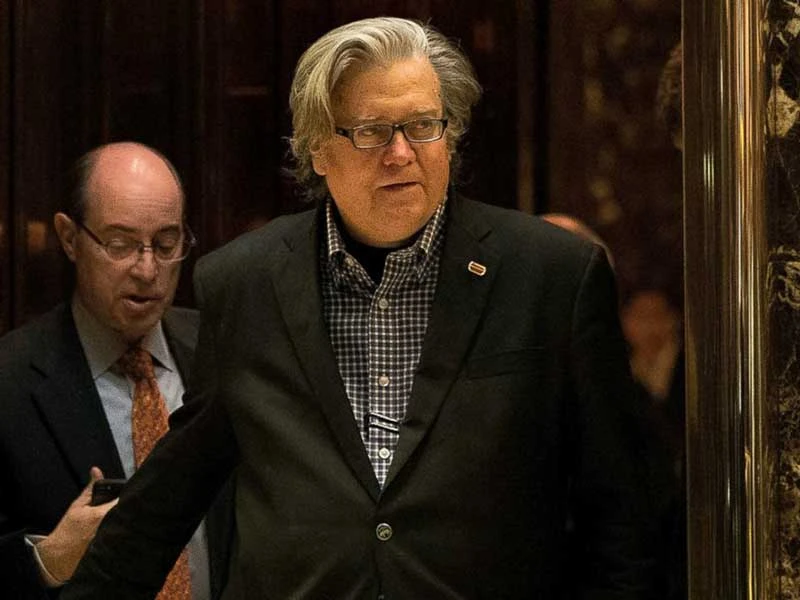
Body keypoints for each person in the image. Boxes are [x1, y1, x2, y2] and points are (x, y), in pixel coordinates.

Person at [65, 18, 655, 598]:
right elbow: (168, 499)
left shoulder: (552, 277)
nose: (401, 153)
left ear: (449, 135)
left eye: (422, 126)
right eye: (372, 131)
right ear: (318, 149)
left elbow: (621, 520)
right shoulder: (245, 283)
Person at [0, 142, 230, 599]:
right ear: (69, 238)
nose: (147, 269)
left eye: (166, 244)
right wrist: (47, 560)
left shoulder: (221, 350)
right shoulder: (10, 381)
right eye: (120, 245)